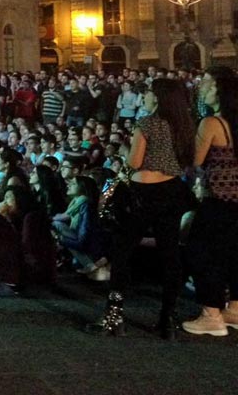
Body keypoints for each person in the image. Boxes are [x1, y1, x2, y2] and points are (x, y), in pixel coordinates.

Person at [86, 78, 195, 339]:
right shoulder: (185, 126)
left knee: (122, 252)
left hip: (142, 194)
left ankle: (114, 316)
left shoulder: (146, 124)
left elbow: (134, 161)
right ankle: (167, 318)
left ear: (157, 98)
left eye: (147, 92)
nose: (144, 95)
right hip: (172, 191)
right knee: (170, 255)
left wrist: (126, 155)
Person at [182, 66, 238, 336]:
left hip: (218, 199)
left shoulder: (212, 123)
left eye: (205, 83)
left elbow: (195, 160)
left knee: (204, 252)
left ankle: (211, 314)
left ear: (219, 89)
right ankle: (235, 309)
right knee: (235, 253)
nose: (200, 87)